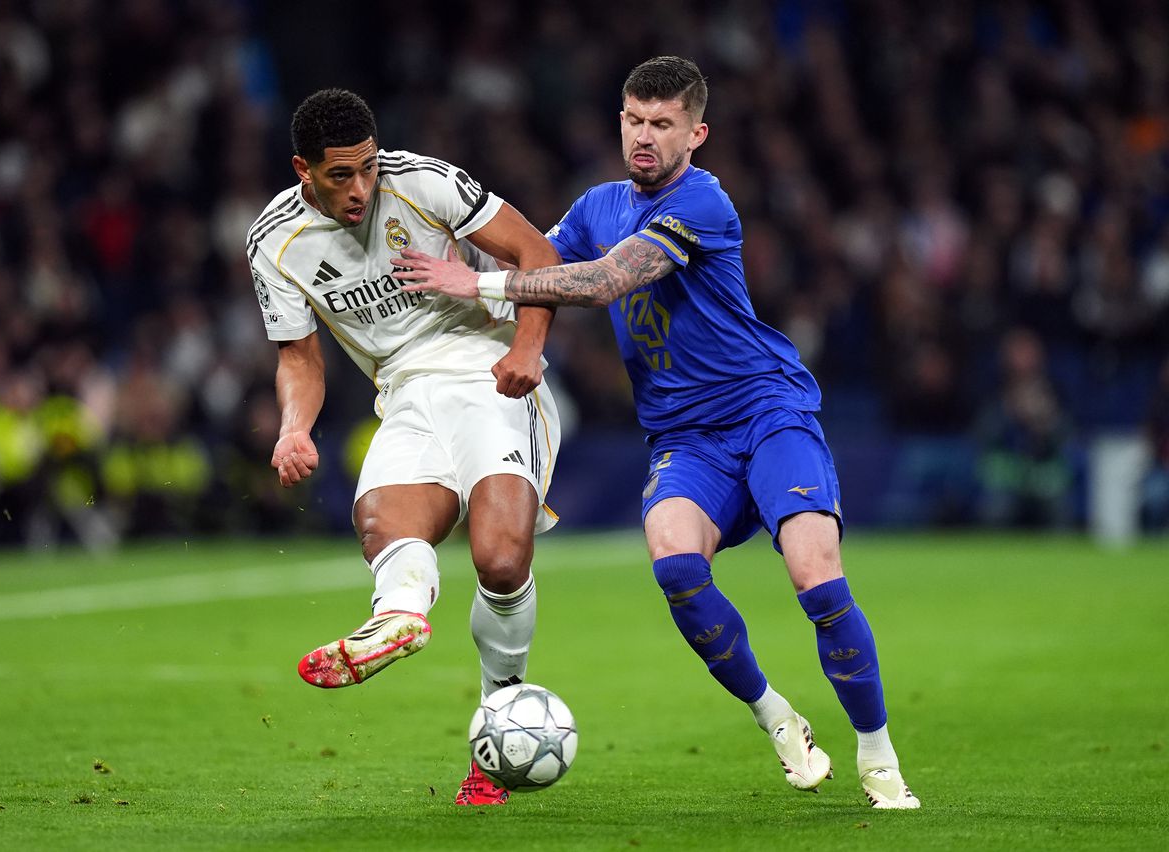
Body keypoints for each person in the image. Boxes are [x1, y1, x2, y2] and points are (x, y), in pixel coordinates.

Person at [395, 56, 920, 809]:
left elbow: (604, 280)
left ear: (696, 134)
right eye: (635, 120)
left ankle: (877, 755)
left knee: (815, 574)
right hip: (684, 437)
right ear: (620, 121)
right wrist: (453, 256)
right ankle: (777, 717)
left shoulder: (703, 202)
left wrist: (476, 281)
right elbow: (536, 261)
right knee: (675, 565)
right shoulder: (598, 205)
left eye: (663, 124)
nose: (645, 136)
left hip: (765, 411)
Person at [246, 88, 563, 806]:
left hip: (488, 370)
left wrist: (527, 347)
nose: (361, 188)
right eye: (340, 175)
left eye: (367, 168)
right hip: (404, 391)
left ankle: (493, 731)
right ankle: (397, 620)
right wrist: (293, 427)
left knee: (501, 560)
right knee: (383, 524)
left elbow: (536, 253)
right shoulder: (275, 241)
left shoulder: (425, 181)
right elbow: (299, 357)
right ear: (303, 169)